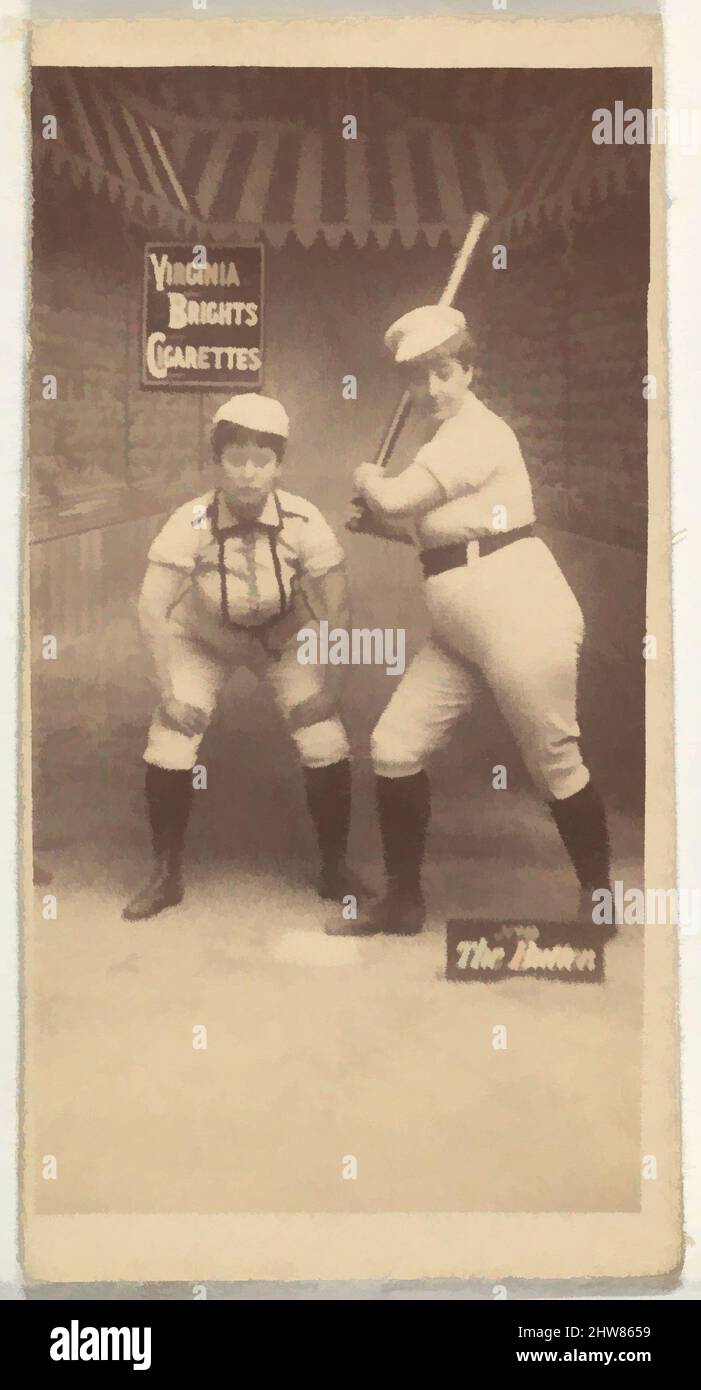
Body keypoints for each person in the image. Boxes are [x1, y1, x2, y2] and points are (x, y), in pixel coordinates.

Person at [342, 303, 612, 937]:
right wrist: (386, 526)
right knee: (394, 747)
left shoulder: (479, 432)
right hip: (461, 632)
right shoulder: (444, 441)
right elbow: (444, 541)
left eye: (444, 372)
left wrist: (369, 480)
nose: (432, 389)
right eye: (418, 378)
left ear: (469, 372)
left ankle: (601, 905)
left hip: (523, 616)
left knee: (554, 762)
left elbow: (402, 495)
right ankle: (404, 902)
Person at [123, 393, 355, 922]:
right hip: (205, 637)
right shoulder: (191, 520)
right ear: (217, 461)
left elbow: (338, 609)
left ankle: (334, 867)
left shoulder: (303, 517)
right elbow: (151, 608)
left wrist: (331, 689)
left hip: (281, 636)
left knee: (325, 739)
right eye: (236, 458)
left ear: (280, 465)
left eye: (262, 460)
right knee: (171, 740)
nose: (249, 473)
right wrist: (167, 693)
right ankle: (166, 873)